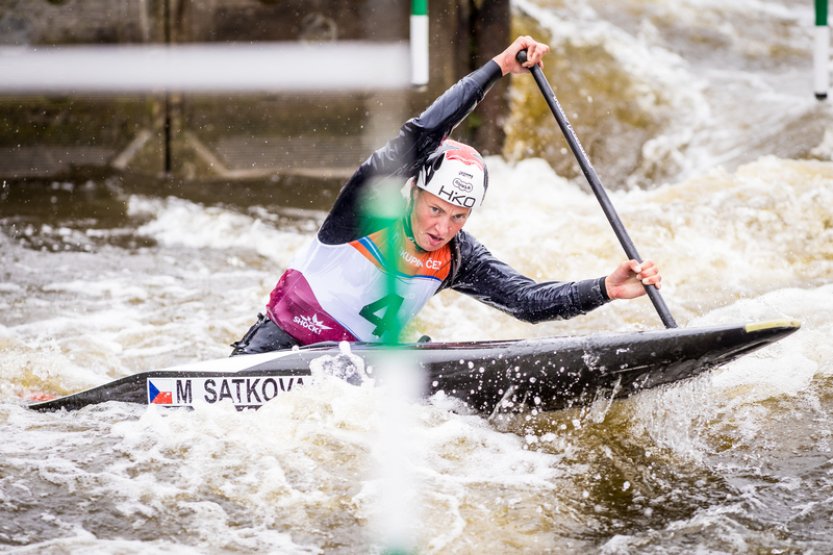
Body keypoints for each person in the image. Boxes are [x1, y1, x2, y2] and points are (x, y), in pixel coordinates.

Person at [231, 36, 661, 356]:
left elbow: (528, 302)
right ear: (413, 191)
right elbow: (420, 133)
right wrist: (497, 68)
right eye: (436, 209)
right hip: (278, 349)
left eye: (458, 217)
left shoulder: (458, 257)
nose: (443, 228)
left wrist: (605, 288)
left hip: (359, 374)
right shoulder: (364, 212)